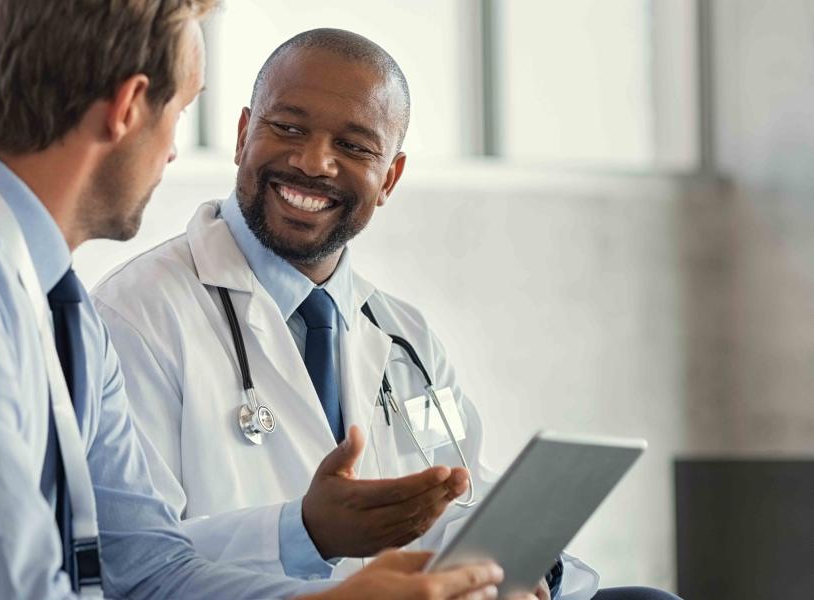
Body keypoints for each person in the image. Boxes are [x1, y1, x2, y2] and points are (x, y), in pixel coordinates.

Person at [0, 4, 527, 600]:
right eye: (180, 109)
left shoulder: (57, 309)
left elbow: (147, 572)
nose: (178, 146)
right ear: (129, 106)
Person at [91, 29, 681, 600]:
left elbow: (457, 492)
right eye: (288, 127)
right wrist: (304, 532)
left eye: (353, 146)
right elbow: (132, 565)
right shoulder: (137, 316)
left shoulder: (405, 339)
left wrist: (529, 574)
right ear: (244, 133)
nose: (314, 162)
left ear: (389, 177)